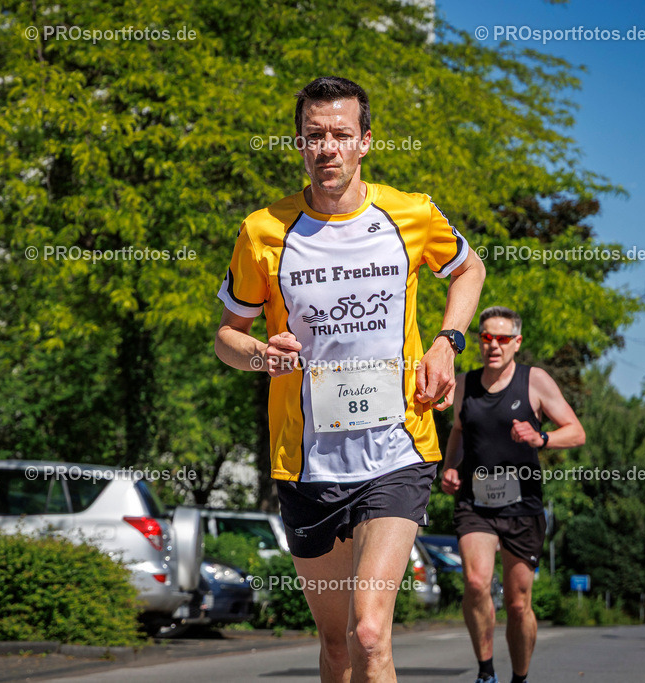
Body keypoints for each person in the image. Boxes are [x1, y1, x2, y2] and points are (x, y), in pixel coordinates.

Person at [215, 75, 485, 682]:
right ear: (300, 144)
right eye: (315, 136)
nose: (327, 148)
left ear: (366, 141)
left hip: (398, 449)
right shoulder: (264, 231)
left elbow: (470, 270)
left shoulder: (409, 213)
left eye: (340, 134)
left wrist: (448, 342)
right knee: (336, 644)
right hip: (307, 462)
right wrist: (262, 355)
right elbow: (227, 338)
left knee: (370, 632)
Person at [440, 306, 585, 683]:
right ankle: (486, 671)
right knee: (475, 583)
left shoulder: (534, 381)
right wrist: (450, 467)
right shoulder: (464, 384)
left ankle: (519, 676)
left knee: (518, 604)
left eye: (503, 338)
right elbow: (457, 431)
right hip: (475, 503)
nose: (494, 345)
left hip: (522, 505)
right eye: (486, 337)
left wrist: (543, 438)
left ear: (517, 343)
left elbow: (576, 430)